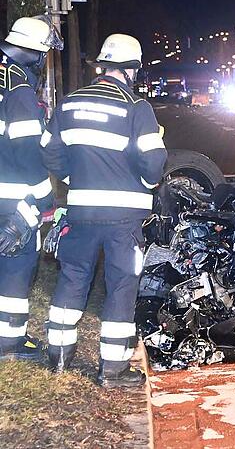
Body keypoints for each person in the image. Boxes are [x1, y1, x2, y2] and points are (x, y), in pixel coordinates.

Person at [41, 34, 167, 387]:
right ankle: (112, 369)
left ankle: (59, 357)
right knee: (122, 285)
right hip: (123, 219)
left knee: (73, 277)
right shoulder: (136, 107)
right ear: (131, 69)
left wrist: (75, 178)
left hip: (80, 211)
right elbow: (153, 164)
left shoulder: (69, 103)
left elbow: (48, 150)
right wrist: (145, 184)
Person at [0, 16, 62, 361]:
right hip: (9, 197)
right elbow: (26, 151)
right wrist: (45, 198)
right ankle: (9, 343)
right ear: (34, 52)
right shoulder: (19, 91)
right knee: (16, 262)